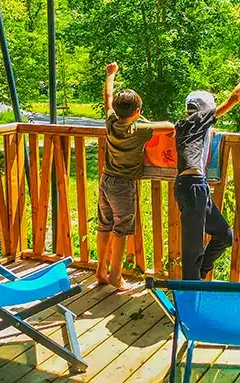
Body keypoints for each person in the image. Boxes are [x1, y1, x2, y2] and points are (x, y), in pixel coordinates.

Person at [174, 58, 240, 280]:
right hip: (193, 188)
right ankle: (191, 297)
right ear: (205, 110)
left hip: (195, 188)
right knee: (193, 249)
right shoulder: (200, 120)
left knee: (224, 235)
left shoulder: (183, 125)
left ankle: (200, 276)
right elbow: (235, 98)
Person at [97, 62, 175, 290]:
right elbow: (170, 125)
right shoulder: (138, 130)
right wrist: (144, 121)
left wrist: (111, 75)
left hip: (106, 181)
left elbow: (108, 97)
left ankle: (100, 269)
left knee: (104, 225)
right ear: (137, 112)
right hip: (124, 185)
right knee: (121, 229)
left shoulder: (110, 122)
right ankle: (115, 274)